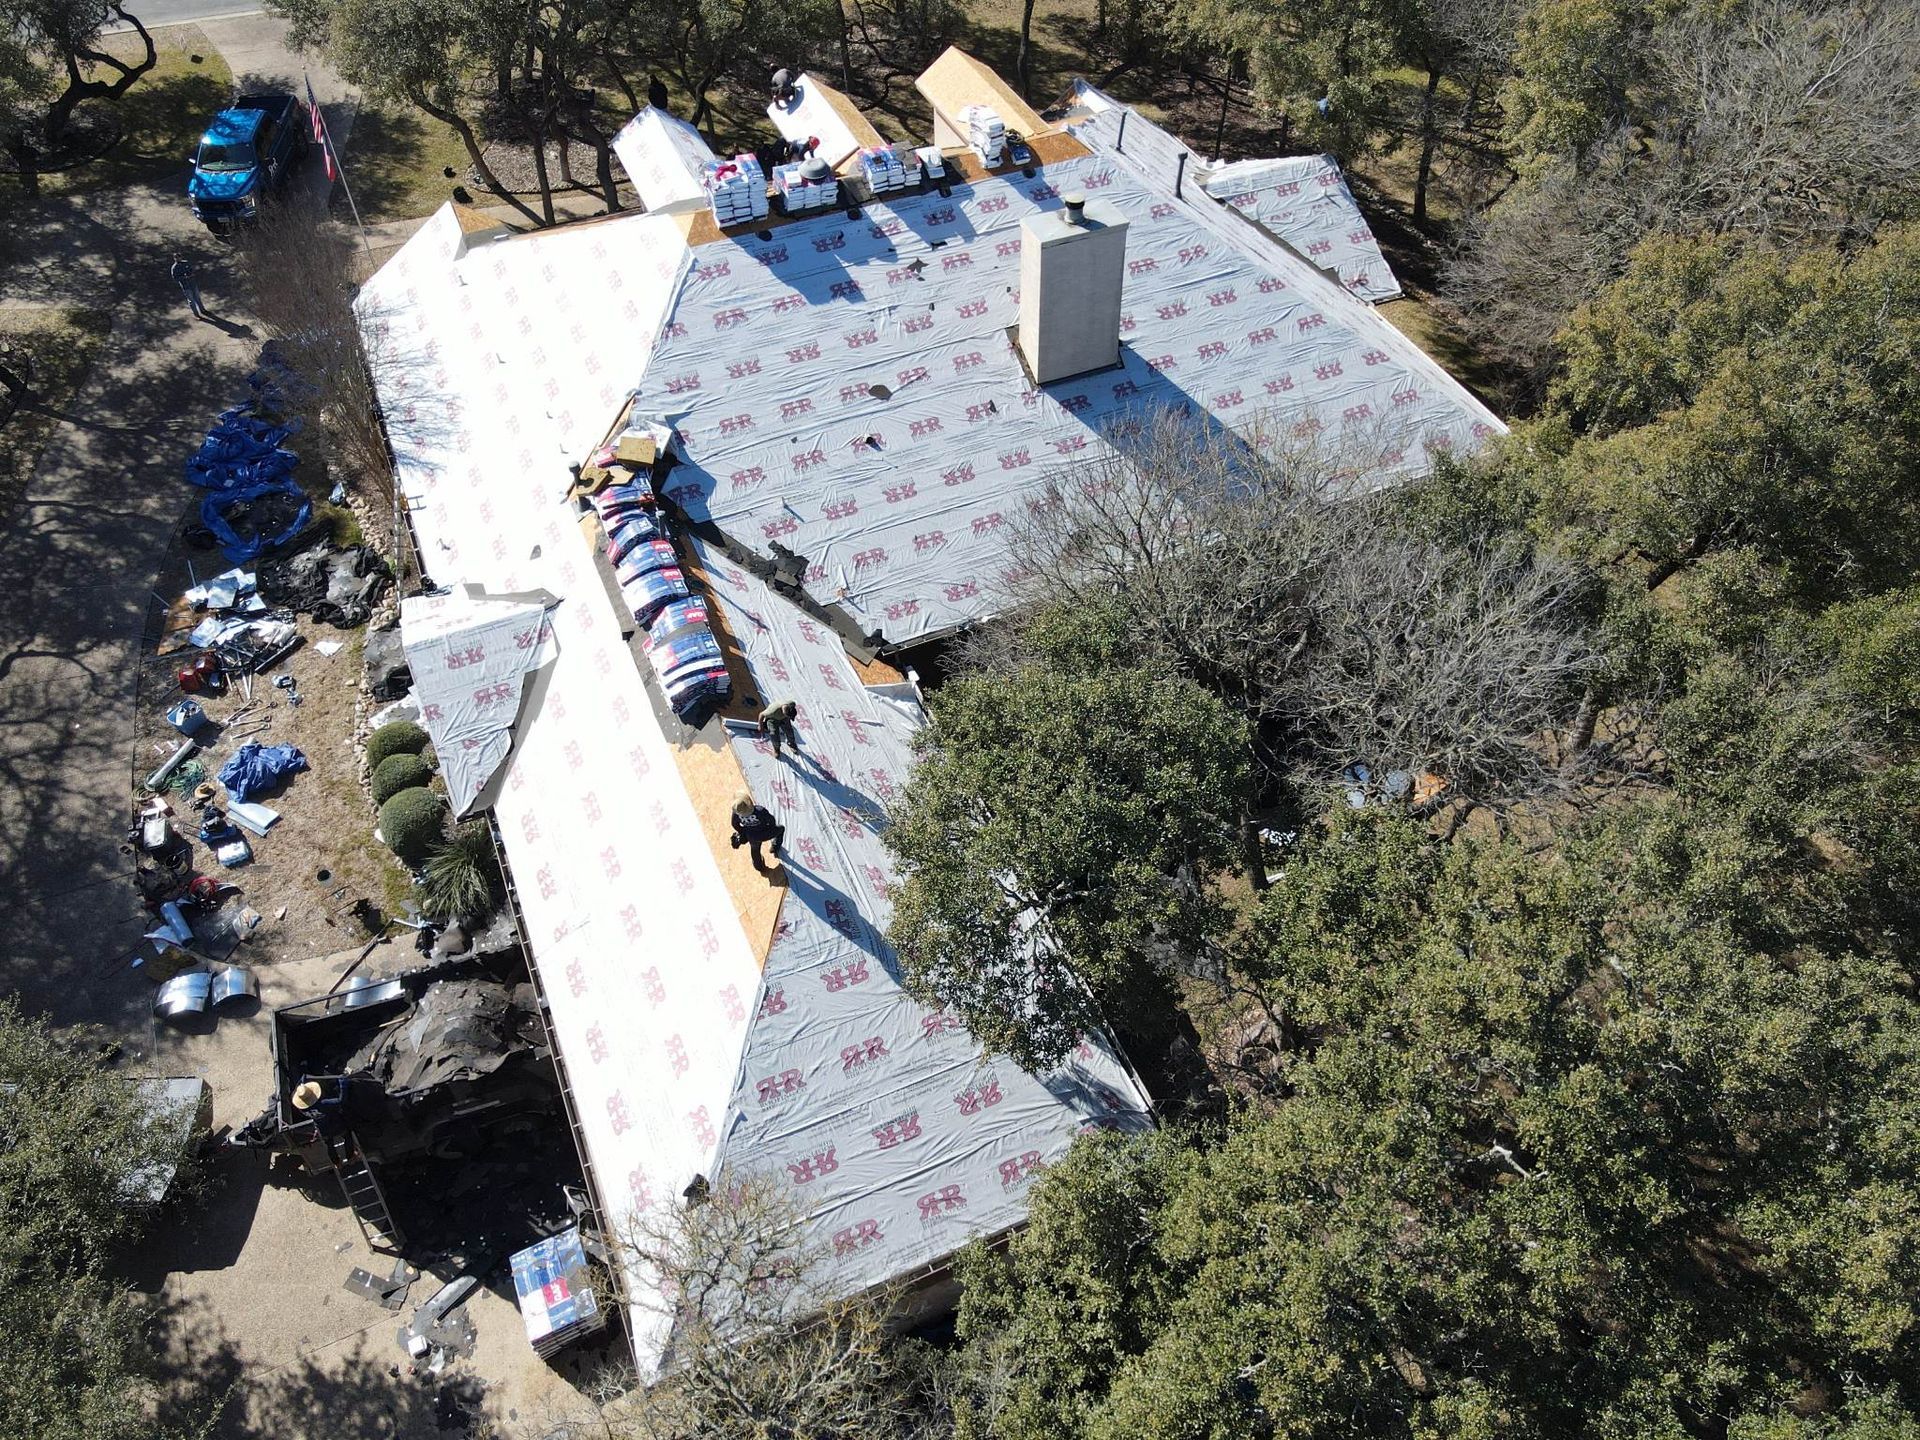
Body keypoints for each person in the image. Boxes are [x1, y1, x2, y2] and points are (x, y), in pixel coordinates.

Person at [729, 795, 785, 871]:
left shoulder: (737, 813)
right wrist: (771, 829)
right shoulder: (759, 811)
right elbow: (771, 820)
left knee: (755, 850)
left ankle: (759, 867)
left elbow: (734, 824)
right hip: (763, 833)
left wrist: (744, 832)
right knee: (781, 829)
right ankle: (775, 847)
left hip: (751, 836)